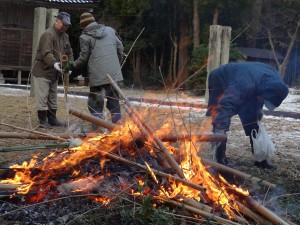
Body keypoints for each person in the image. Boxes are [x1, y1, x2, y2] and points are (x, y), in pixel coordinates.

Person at [206, 62, 289, 169]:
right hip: (221, 79)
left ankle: (260, 160)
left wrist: (256, 112)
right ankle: (219, 159)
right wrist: (220, 128)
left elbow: (259, 103)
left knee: (253, 122)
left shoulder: (276, 84)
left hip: (248, 81)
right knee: (220, 117)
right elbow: (225, 105)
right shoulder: (244, 84)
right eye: (263, 100)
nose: (262, 102)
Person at [67, 12, 124, 130]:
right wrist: (116, 64)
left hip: (98, 78)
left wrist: (72, 65)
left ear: (83, 26)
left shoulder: (84, 37)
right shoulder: (110, 31)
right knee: (114, 104)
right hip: (114, 75)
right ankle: (117, 130)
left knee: (95, 104)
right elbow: (120, 48)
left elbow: (83, 58)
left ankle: (98, 130)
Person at [31, 12, 74, 128]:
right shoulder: (48, 34)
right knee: (43, 96)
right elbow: (46, 52)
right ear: (57, 21)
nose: (65, 27)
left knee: (52, 96)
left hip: (55, 73)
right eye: (63, 24)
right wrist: (54, 63)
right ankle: (42, 120)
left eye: (67, 25)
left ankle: (52, 119)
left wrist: (69, 66)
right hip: (43, 71)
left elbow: (69, 52)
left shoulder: (65, 36)